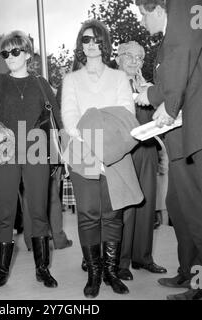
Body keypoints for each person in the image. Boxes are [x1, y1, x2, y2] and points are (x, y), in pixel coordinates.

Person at [0, 30, 59, 293]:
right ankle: (0, 273)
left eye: (16, 51)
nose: (10, 57)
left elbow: (58, 120)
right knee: (6, 213)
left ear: (28, 54)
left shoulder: (41, 83)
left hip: (37, 151)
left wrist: (67, 156)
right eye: (5, 53)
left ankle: (43, 269)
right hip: (5, 152)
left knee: (39, 211)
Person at [61, 19, 136, 298]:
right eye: (85, 39)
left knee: (113, 214)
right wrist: (85, 137)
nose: (91, 44)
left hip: (114, 152)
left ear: (104, 43)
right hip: (82, 149)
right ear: (81, 45)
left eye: (96, 39)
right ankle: (94, 274)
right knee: (89, 214)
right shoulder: (71, 79)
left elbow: (126, 113)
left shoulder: (118, 78)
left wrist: (105, 139)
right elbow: (69, 115)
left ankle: (111, 272)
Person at [135, 0, 202, 300]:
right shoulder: (165, 43)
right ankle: (189, 272)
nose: (141, 21)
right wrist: (148, 93)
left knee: (196, 214)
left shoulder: (183, 13)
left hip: (193, 137)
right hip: (179, 143)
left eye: (141, 14)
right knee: (178, 208)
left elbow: (180, 65)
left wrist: (164, 101)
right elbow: (172, 80)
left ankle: (199, 287)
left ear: (156, 9)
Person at [115, 41, 167, 281]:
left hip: (147, 149)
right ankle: (121, 262)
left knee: (147, 204)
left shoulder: (149, 87)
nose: (135, 61)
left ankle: (143, 257)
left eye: (140, 57)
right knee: (127, 207)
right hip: (124, 151)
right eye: (129, 56)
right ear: (118, 58)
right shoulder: (110, 86)